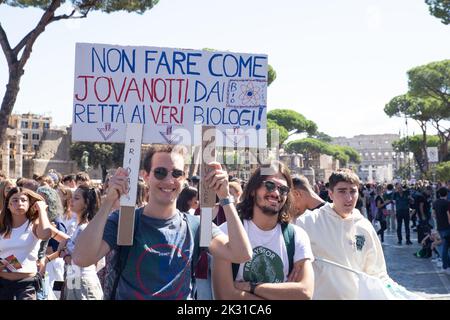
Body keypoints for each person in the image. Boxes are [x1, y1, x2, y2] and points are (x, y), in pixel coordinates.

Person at [72, 145, 252, 300]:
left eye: (177, 173)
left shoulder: (196, 226)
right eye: (160, 172)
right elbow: (82, 258)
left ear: (185, 178)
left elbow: (242, 254)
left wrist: (225, 198)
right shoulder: (124, 221)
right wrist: (108, 202)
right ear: (146, 176)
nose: (169, 180)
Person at [212, 161, 314, 300]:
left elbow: (305, 292)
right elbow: (225, 295)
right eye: (269, 185)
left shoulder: (296, 236)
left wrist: (251, 287)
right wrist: (282, 293)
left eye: (283, 189)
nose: (276, 193)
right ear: (253, 190)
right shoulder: (226, 232)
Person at [297, 169, 389, 300]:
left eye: (353, 191)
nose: (349, 198)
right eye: (342, 191)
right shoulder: (308, 222)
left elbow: (377, 272)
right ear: (330, 194)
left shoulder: (364, 226)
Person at [0, 187, 66, 300]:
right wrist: (7, 264)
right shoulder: (2, 225)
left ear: (30, 203)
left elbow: (48, 235)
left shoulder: (34, 224)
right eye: (15, 200)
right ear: (8, 205)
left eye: (23, 200)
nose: (19, 203)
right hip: (2, 284)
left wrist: (42, 210)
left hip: (26, 285)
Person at [60, 185, 103, 300]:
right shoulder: (78, 226)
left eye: (77, 198)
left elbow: (78, 260)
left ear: (86, 203)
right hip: (74, 277)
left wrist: (64, 254)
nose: (71, 201)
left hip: (83, 279)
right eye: (72, 197)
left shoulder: (85, 228)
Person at [433, 187, 450, 274]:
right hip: (447, 227)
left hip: (440, 226)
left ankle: (445, 265)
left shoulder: (435, 203)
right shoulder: (447, 203)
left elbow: (434, 215)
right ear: (446, 194)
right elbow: (448, 215)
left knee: (444, 245)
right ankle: (446, 265)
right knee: (446, 246)